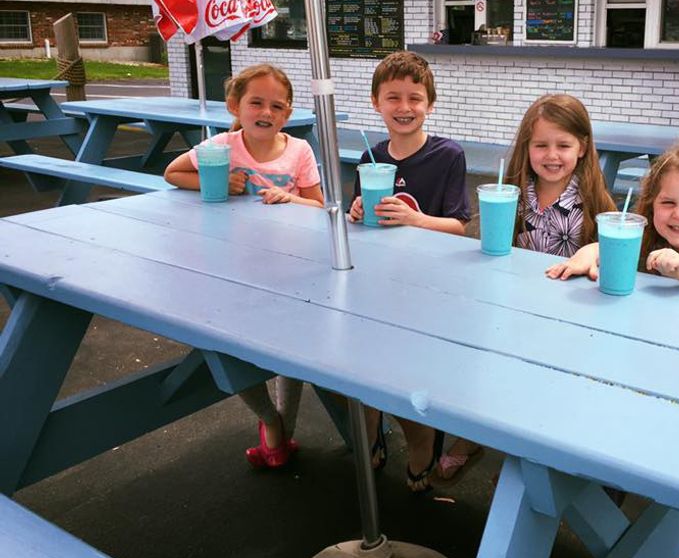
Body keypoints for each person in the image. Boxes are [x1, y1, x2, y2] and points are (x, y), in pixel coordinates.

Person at [436, 93, 616, 484]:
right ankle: (474, 436)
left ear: (582, 147)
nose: (552, 155)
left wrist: (594, 250)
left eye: (563, 145)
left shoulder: (591, 199)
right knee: (486, 367)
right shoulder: (514, 194)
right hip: (513, 306)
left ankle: (537, 452)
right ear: (526, 147)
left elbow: (615, 244)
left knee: (547, 386)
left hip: (569, 319)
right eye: (541, 145)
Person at [165, 63, 324, 469]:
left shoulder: (299, 151)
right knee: (228, 347)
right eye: (256, 102)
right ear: (235, 106)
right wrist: (216, 182)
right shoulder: (221, 147)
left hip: (288, 269)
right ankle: (269, 420)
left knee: (289, 350)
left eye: (277, 106)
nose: (266, 112)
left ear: (287, 114)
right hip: (232, 266)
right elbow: (173, 172)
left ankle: (281, 433)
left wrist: (291, 198)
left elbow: (319, 205)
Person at [347, 50, 470, 492]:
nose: (404, 107)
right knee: (360, 367)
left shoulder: (448, 155)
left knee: (410, 377)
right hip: (378, 281)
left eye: (414, 98)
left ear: (429, 104)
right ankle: (371, 427)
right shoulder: (370, 156)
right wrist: (357, 211)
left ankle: (421, 441)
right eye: (393, 97)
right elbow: (362, 219)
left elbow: (459, 225)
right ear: (375, 102)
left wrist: (416, 219)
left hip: (429, 286)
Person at [547, 141, 679, 294]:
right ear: (652, 204)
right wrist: (585, 255)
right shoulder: (644, 235)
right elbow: (605, 248)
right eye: (668, 203)